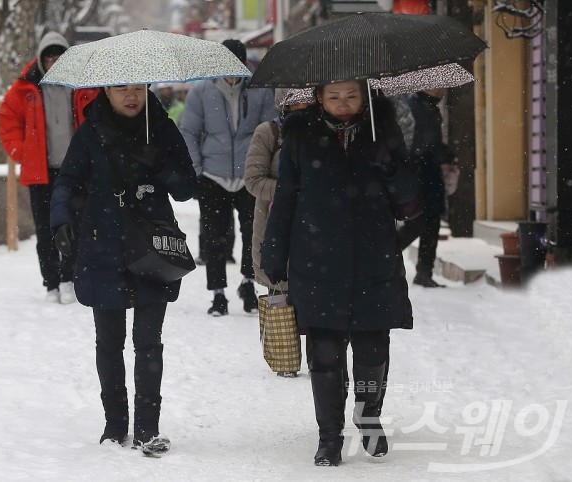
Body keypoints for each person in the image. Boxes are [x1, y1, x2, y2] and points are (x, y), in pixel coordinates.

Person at [260, 80, 422, 466]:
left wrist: (387, 163)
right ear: (319, 98)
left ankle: (369, 417)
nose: (343, 104)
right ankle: (329, 437)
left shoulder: (383, 132)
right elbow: (286, 196)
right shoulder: (300, 135)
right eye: (334, 97)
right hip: (316, 259)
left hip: (373, 258)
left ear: (365, 95)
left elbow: (411, 202)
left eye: (351, 95)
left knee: (372, 348)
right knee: (326, 354)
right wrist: (273, 252)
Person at [49, 85, 196, 454]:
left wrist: (159, 163)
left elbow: (187, 188)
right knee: (109, 342)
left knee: (148, 341)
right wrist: (61, 220)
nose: (130, 97)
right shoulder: (91, 131)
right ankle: (115, 426)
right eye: (120, 90)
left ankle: (147, 427)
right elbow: (67, 180)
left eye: (137, 90)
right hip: (102, 245)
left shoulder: (160, 128)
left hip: (151, 249)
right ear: (106, 93)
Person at [0, 31, 98, 304]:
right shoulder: (24, 88)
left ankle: (69, 277)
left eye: (59, 55)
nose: (54, 61)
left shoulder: (83, 84)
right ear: (41, 58)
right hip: (41, 172)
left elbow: (96, 119)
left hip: (76, 171)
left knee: (75, 225)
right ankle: (51, 282)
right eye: (49, 56)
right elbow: (7, 122)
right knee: (45, 230)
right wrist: (23, 153)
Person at [180, 39, 278, 316]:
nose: (232, 70)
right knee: (215, 236)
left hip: (250, 176)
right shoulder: (200, 92)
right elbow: (189, 131)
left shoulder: (260, 92)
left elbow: (269, 131)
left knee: (253, 234)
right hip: (213, 175)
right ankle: (218, 292)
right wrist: (197, 170)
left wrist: (264, 168)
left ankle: (248, 283)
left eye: (237, 63)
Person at [244, 87, 316, 377]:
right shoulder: (269, 132)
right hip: (278, 223)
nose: (302, 105)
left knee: (317, 290)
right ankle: (285, 353)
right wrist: (290, 191)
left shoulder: (328, 131)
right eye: (294, 99)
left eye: (307, 97)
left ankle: (320, 356)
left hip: (317, 225)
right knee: (283, 289)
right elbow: (252, 180)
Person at [396, 88, 458, 288]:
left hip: (429, 176)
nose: (441, 89)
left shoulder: (429, 107)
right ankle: (381, 256)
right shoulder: (415, 107)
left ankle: (424, 272)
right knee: (419, 224)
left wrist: (443, 154)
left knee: (430, 225)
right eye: (437, 86)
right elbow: (420, 144)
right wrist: (439, 154)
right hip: (420, 176)